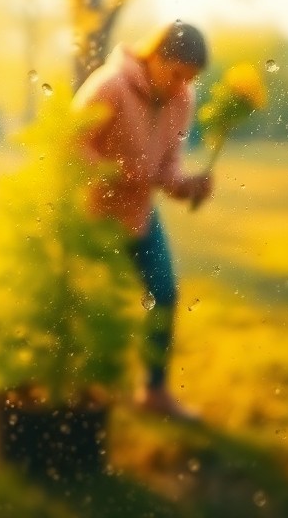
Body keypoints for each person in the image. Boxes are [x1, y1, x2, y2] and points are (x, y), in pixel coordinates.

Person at [73, 21, 214, 419]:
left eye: (189, 79)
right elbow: (69, 143)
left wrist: (187, 186)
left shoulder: (182, 99)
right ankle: (84, 390)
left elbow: (166, 169)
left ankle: (154, 391)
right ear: (155, 57)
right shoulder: (110, 86)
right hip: (96, 215)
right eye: (176, 74)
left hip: (140, 216)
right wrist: (116, 173)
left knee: (164, 295)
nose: (181, 87)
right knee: (95, 307)